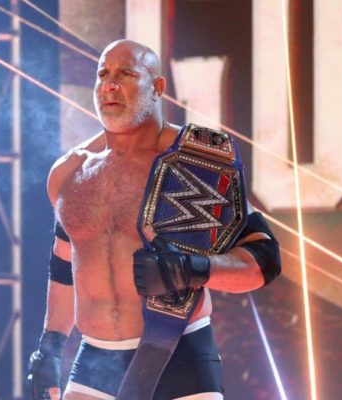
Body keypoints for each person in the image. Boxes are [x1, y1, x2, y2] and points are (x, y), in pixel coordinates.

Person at [26, 39, 281, 400]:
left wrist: (192, 269)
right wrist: (51, 346)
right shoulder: (69, 172)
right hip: (95, 362)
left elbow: (264, 260)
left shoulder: (197, 162)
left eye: (125, 74)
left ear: (158, 87)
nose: (110, 85)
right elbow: (64, 263)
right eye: (103, 74)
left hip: (179, 354)